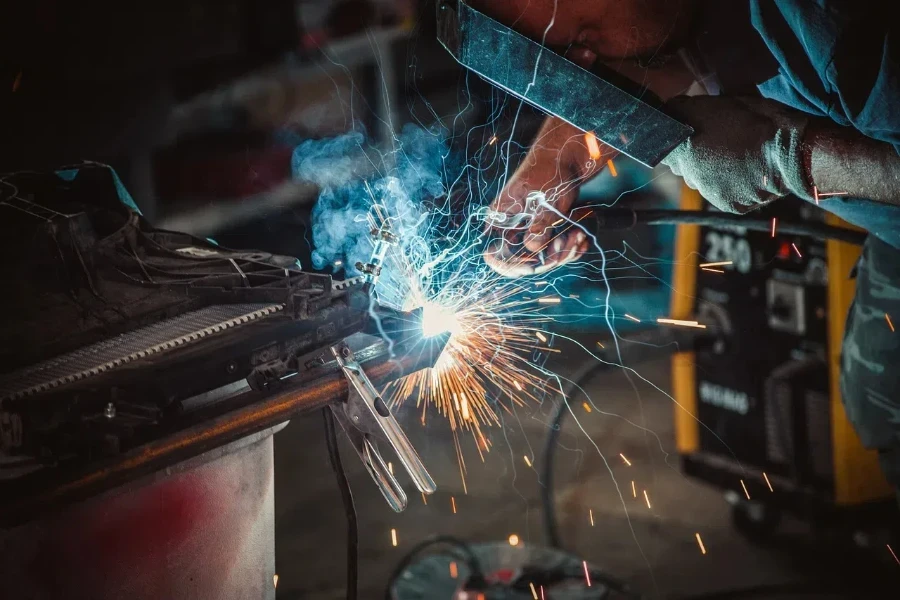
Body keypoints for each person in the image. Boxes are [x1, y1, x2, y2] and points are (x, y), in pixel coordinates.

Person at [474, 1, 900, 492]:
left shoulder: (840, 32)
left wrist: (789, 156)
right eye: (568, 50)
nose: (586, 57)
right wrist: (559, 162)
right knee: (878, 393)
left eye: (583, 36)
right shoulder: (668, 18)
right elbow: (653, 56)